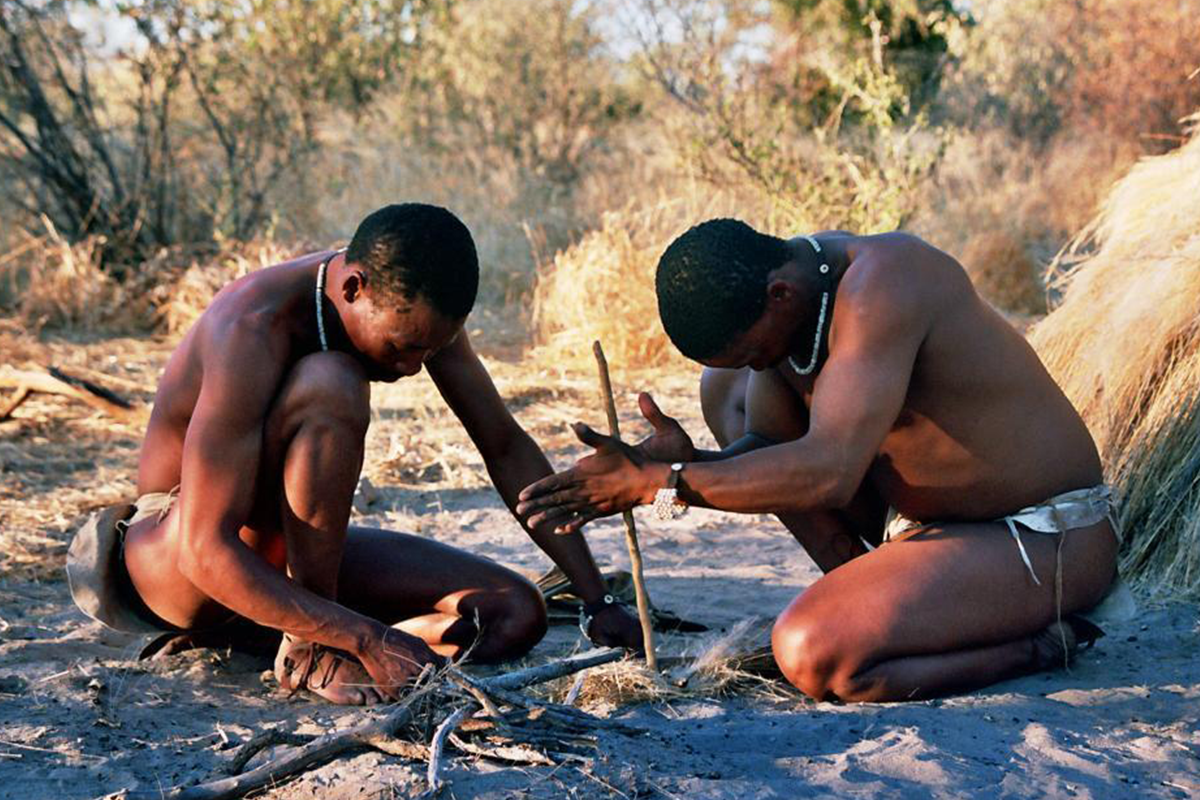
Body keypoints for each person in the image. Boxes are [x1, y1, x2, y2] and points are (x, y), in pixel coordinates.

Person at [517, 219, 1130, 702]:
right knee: (722, 392)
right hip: (930, 527)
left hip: (1042, 537)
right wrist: (692, 465)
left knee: (811, 652)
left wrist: (665, 484)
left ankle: (1042, 645)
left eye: (757, 352)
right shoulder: (798, 297)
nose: (761, 367)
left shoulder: (885, 283)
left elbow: (830, 472)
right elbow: (779, 455)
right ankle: (876, 595)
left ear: (779, 294)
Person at [67, 203, 641, 705]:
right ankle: (311, 646)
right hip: (175, 559)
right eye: (403, 347)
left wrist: (595, 600)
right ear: (352, 289)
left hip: (274, 560)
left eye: (431, 349)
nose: (415, 365)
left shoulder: (414, 302)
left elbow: (504, 443)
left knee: (515, 613)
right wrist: (365, 638)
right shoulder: (253, 326)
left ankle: (271, 628)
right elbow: (202, 550)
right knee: (333, 381)